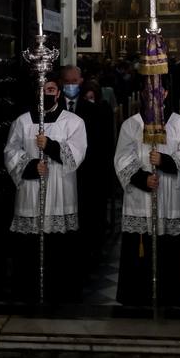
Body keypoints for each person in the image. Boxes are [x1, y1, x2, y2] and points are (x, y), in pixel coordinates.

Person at [4, 76, 87, 303]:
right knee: (29, 246)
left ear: (58, 93)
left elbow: (77, 153)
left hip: (60, 191)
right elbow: (10, 151)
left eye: (51, 89)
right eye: (42, 89)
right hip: (31, 191)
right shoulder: (22, 122)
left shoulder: (73, 122)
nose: (47, 93)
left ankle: (60, 291)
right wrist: (30, 165)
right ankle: (28, 289)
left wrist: (49, 146)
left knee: (58, 247)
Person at [114, 86, 180, 307]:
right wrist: (142, 178)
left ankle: (174, 294)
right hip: (141, 200)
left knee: (171, 249)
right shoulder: (131, 125)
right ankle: (137, 294)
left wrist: (165, 161)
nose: (153, 94)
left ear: (167, 93)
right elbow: (122, 157)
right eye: (148, 90)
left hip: (171, 199)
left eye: (158, 89)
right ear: (142, 93)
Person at [61, 66, 115, 275]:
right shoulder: (54, 109)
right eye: (68, 82)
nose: (72, 85)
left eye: (75, 81)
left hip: (89, 172)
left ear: (81, 81)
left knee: (89, 215)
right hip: (64, 173)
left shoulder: (97, 110)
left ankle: (90, 252)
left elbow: (104, 145)